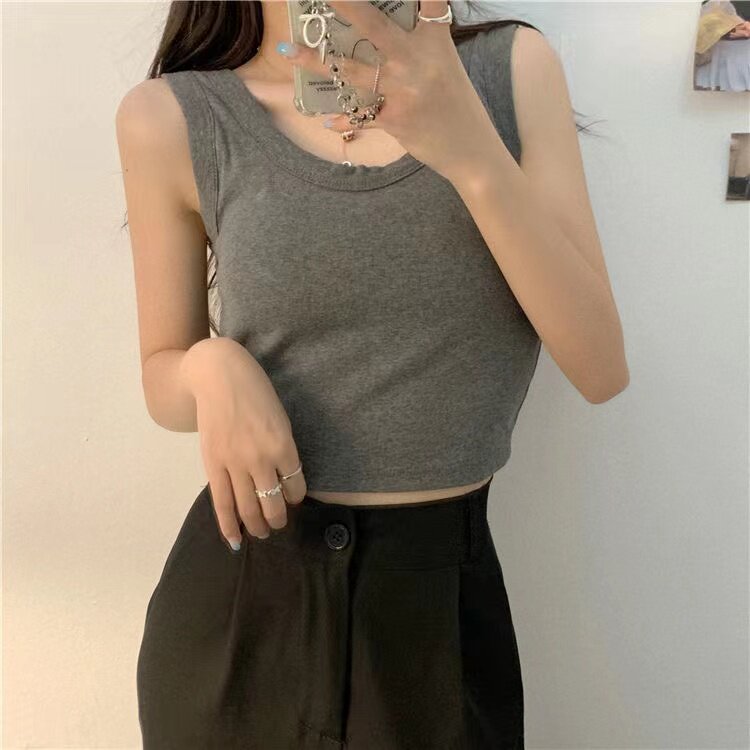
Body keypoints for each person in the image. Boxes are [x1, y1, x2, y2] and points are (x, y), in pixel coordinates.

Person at [115, 1, 629, 747]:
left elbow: (600, 367)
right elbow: (162, 370)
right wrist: (211, 366)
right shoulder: (173, 116)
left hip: (434, 612)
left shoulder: (511, 72)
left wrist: (470, 151)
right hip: (243, 604)